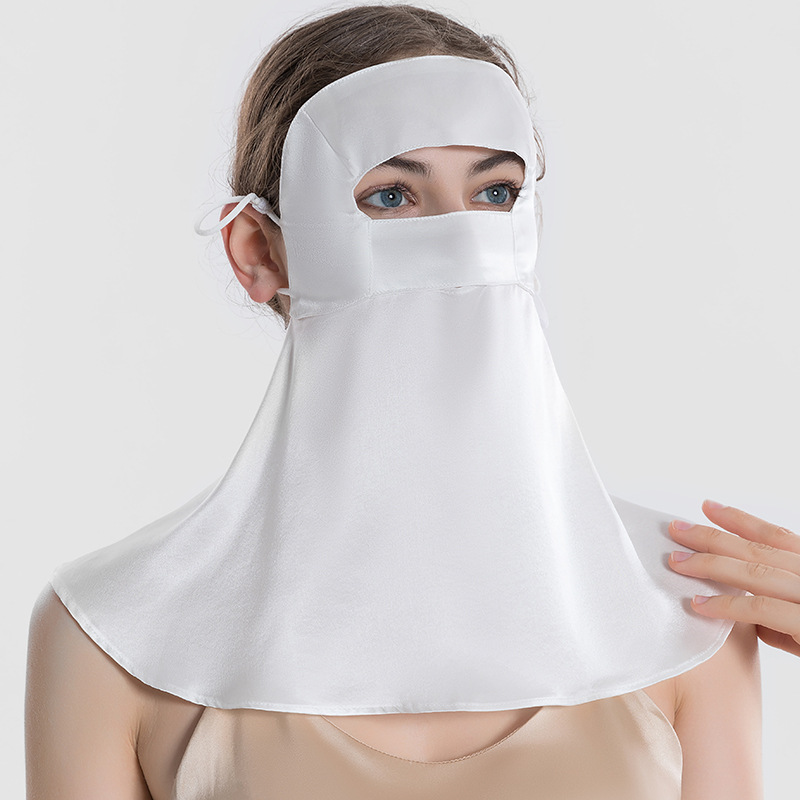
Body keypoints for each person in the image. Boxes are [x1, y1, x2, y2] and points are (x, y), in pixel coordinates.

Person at [26, 4, 797, 798]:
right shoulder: (114, 634)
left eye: (496, 193)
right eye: (391, 197)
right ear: (259, 251)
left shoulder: (684, 611)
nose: (462, 240)